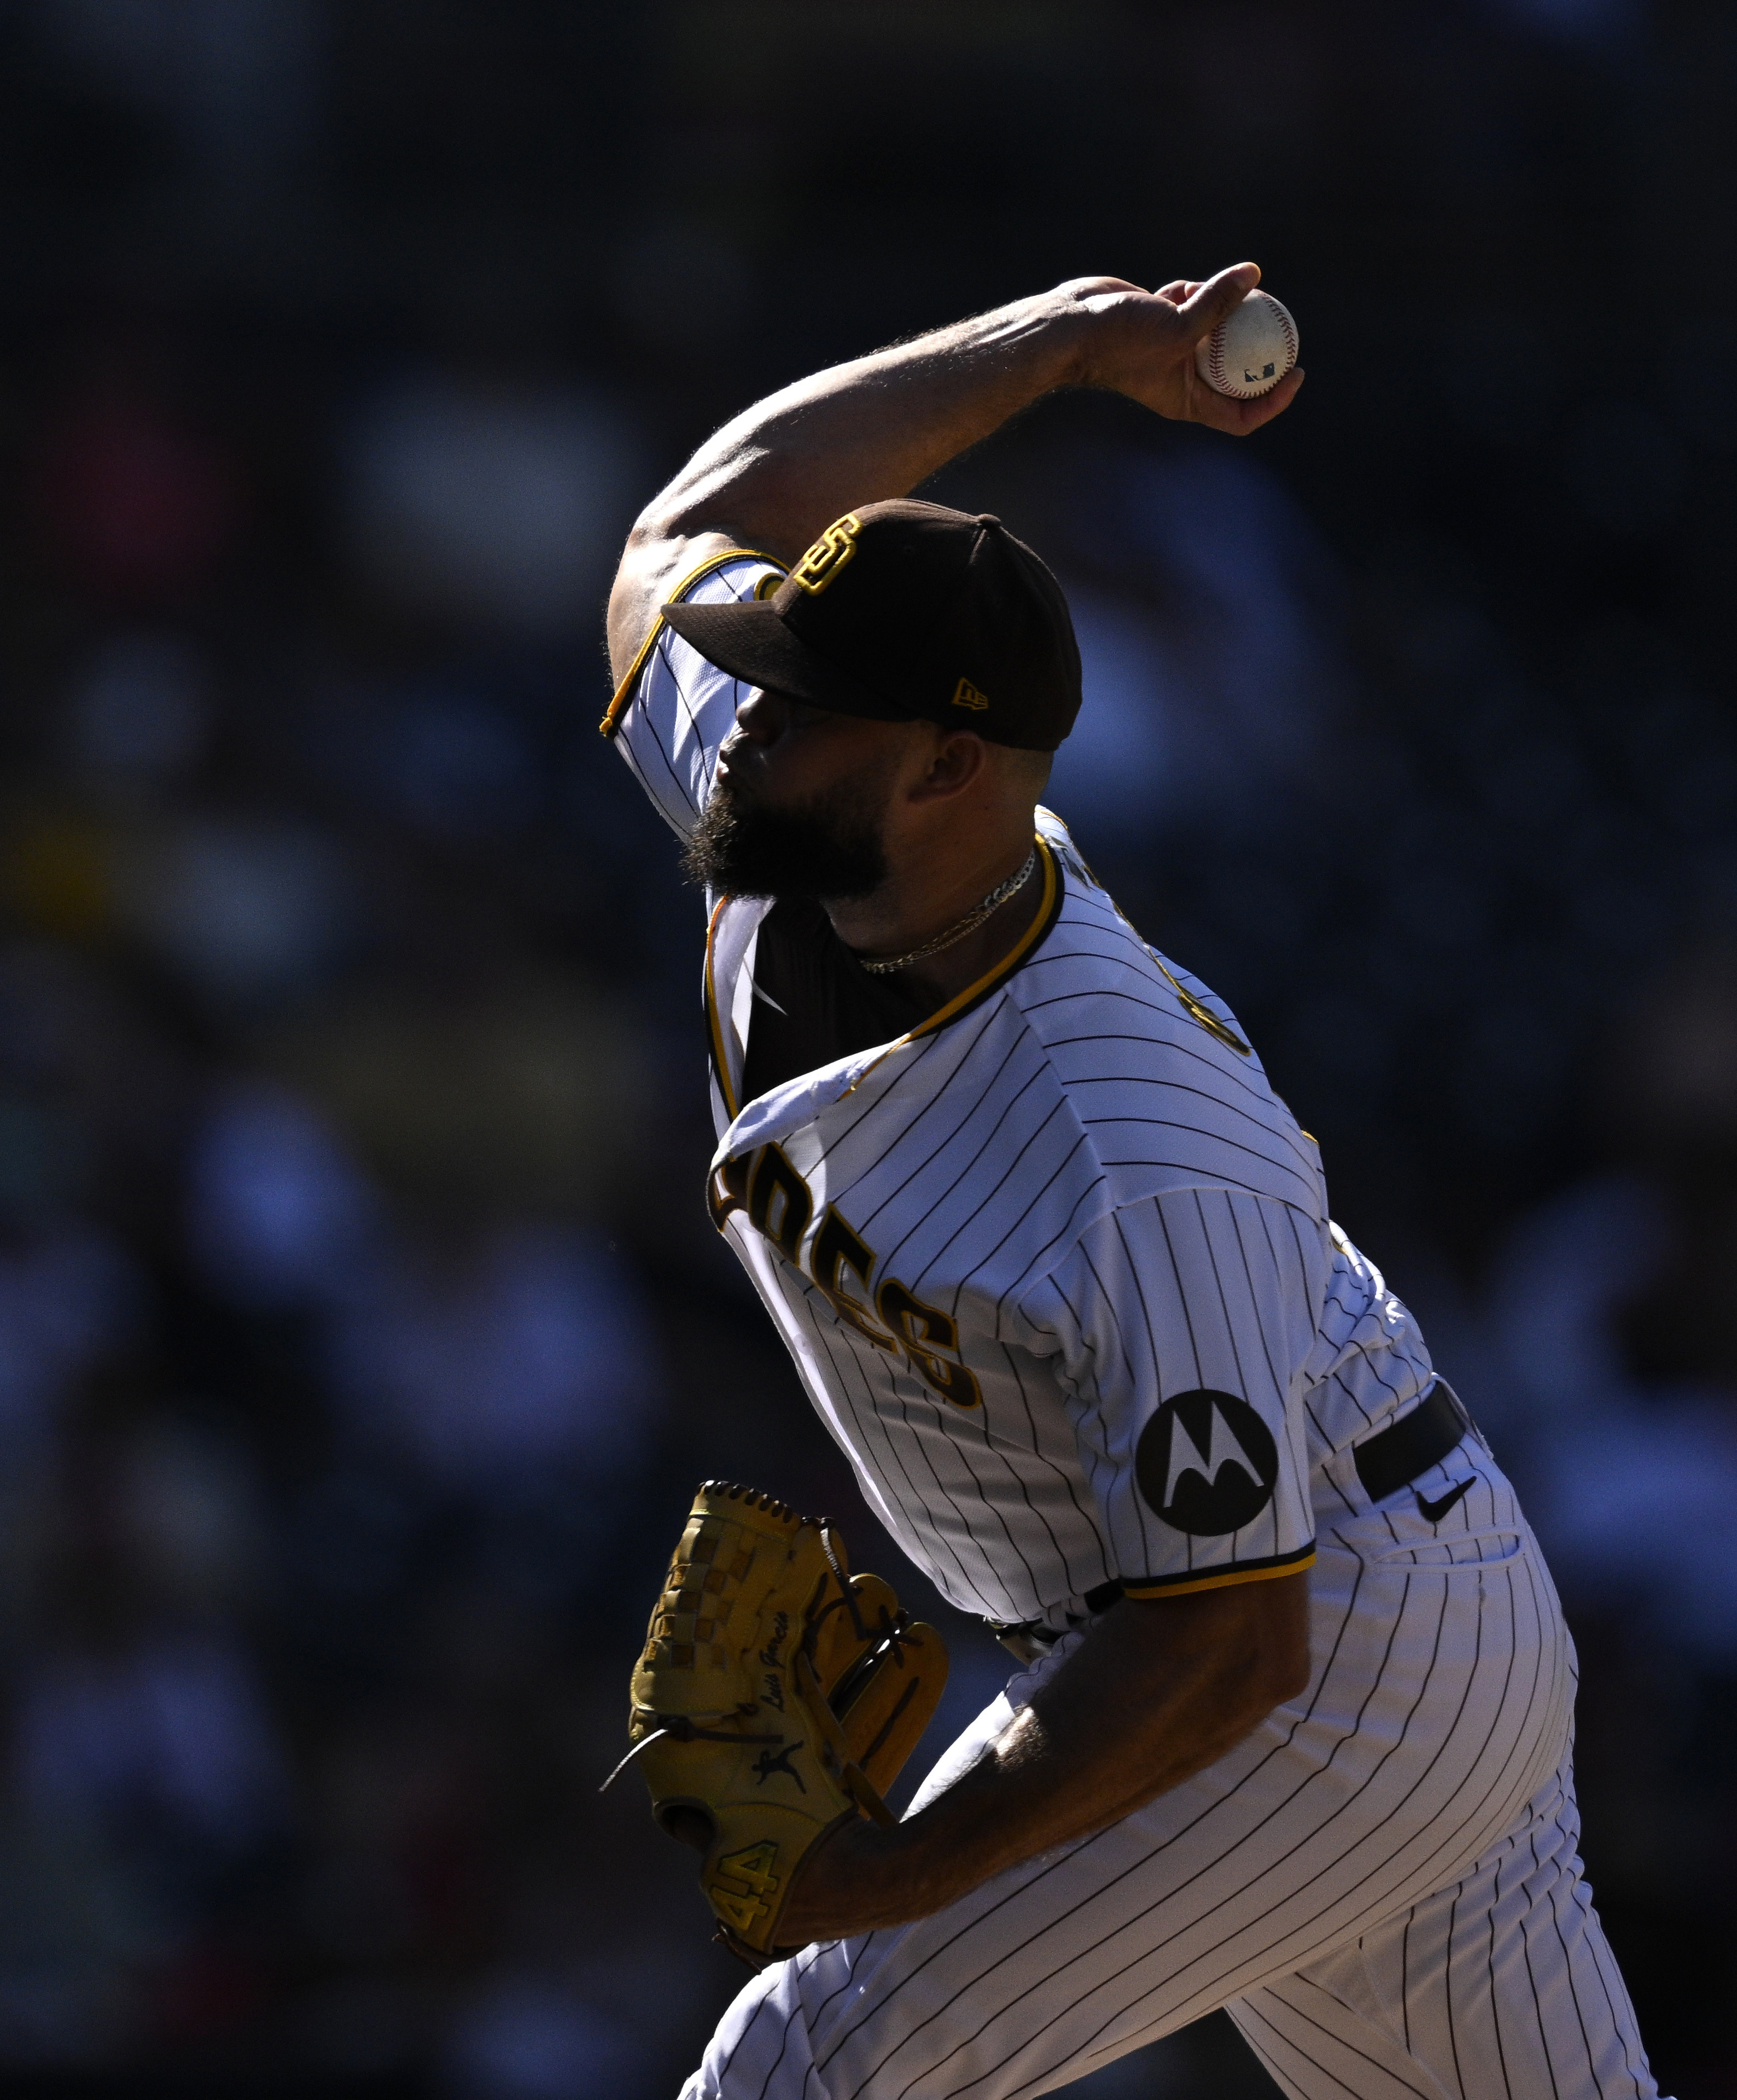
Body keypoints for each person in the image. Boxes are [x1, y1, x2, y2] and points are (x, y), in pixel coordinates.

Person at [599, 264, 1663, 2100]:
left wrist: (896, 1872)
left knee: (809, 2074)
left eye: (800, 705)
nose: (742, 714)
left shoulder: (1134, 1140)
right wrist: (1072, 347)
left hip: (1327, 1665)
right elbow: (694, 523)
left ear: (951, 765)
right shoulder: (792, 815)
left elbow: (1230, 1641)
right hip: (1308, 1604)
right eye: (761, 673)